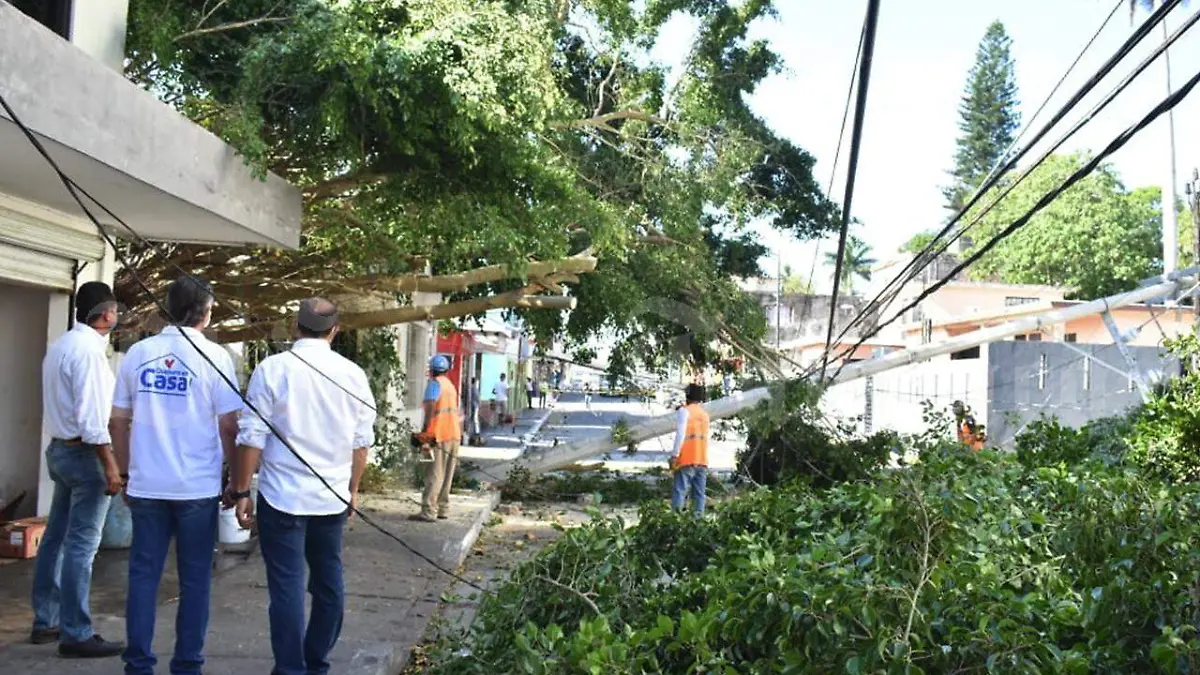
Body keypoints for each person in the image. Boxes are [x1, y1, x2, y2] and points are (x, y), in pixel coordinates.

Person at [230, 297, 376, 675]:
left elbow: (251, 437)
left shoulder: (273, 370)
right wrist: (352, 489)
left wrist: (242, 491)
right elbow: (361, 445)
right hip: (331, 500)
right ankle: (316, 661)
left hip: (283, 500)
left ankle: (291, 669)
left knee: (287, 590)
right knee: (329, 586)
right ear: (335, 330)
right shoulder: (352, 375)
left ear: (296, 327)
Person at [111, 276, 242, 675]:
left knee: (143, 577)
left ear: (166, 308)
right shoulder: (217, 358)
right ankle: (187, 665)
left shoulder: (139, 354)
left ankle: (138, 664)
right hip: (196, 490)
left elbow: (117, 422)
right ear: (206, 311)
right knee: (196, 581)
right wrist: (237, 484)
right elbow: (230, 427)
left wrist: (126, 474)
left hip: (147, 486)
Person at [31, 282, 124, 657]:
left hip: (59, 451)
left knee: (55, 538)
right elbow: (92, 421)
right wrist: (112, 466)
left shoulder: (61, 346)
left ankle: (47, 620)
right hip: (85, 455)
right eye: (116, 311)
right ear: (105, 314)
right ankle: (76, 633)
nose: (117, 318)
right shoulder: (87, 354)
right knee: (81, 547)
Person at [411, 355, 461, 522]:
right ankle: (443, 508)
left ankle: (428, 511)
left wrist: (425, 430)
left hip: (439, 434)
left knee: (434, 473)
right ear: (446, 369)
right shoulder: (450, 385)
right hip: (454, 434)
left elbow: (431, 404)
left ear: (431, 370)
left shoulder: (434, 384)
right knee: (447, 474)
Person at [669, 384, 710, 516]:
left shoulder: (684, 411)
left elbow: (681, 434)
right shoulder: (704, 415)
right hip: (702, 460)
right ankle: (698, 525)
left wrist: (674, 455)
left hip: (686, 459)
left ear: (687, 396)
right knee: (699, 495)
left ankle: (676, 522)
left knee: (680, 491)